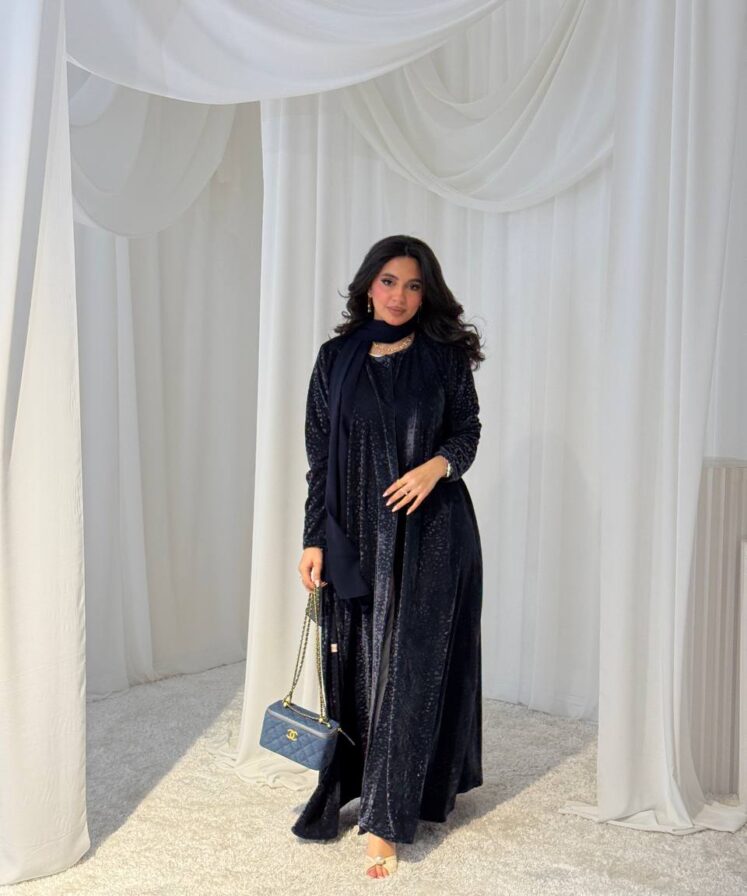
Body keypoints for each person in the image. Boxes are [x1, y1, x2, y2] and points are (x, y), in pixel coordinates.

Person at [294, 234, 484, 879]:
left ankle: (386, 817)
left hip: (433, 534)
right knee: (357, 665)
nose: (399, 296)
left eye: (413, 285)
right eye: (388, 282)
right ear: (368, 285)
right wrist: (313, 537)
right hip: (354, 534)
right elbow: (320, 455)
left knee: (410, 669)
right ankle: (360, 786)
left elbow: (468, 430)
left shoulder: (443, 357)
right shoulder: (335, 358)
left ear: (426, 294)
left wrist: (437, 465)